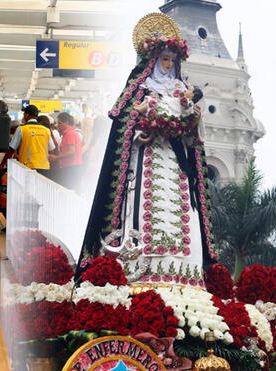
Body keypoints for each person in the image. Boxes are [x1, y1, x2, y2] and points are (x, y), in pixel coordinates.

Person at [78, 15, 214, 289]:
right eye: (164, 58)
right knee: (141, 210)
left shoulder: (182, 92)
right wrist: (147, 122)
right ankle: (138, 271)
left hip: (175, 165)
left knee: (182, 212)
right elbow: (126, 124)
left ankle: (181, 275)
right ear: (152, 60)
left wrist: (189, 118)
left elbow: (193, 137)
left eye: (172, 60)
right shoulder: (139, 90)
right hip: (144, 164)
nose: (168, 64)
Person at [9, 105, 55, 174]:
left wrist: (3, 163)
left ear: (27, 115)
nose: (23, 116)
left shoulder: (22, 129)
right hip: (44, 167)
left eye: (24, 114)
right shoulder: (46, 130)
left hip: (27, 166)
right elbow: (52, 149)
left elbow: (12, 148)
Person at [48, 112, 83, 189]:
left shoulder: (70, 134)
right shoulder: (68, 133)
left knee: (68, 190)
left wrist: (56, 157)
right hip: (70, 166)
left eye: (60, 123)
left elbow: (71, 151)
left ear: (66, 122)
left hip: (71, 167)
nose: (58, 126)